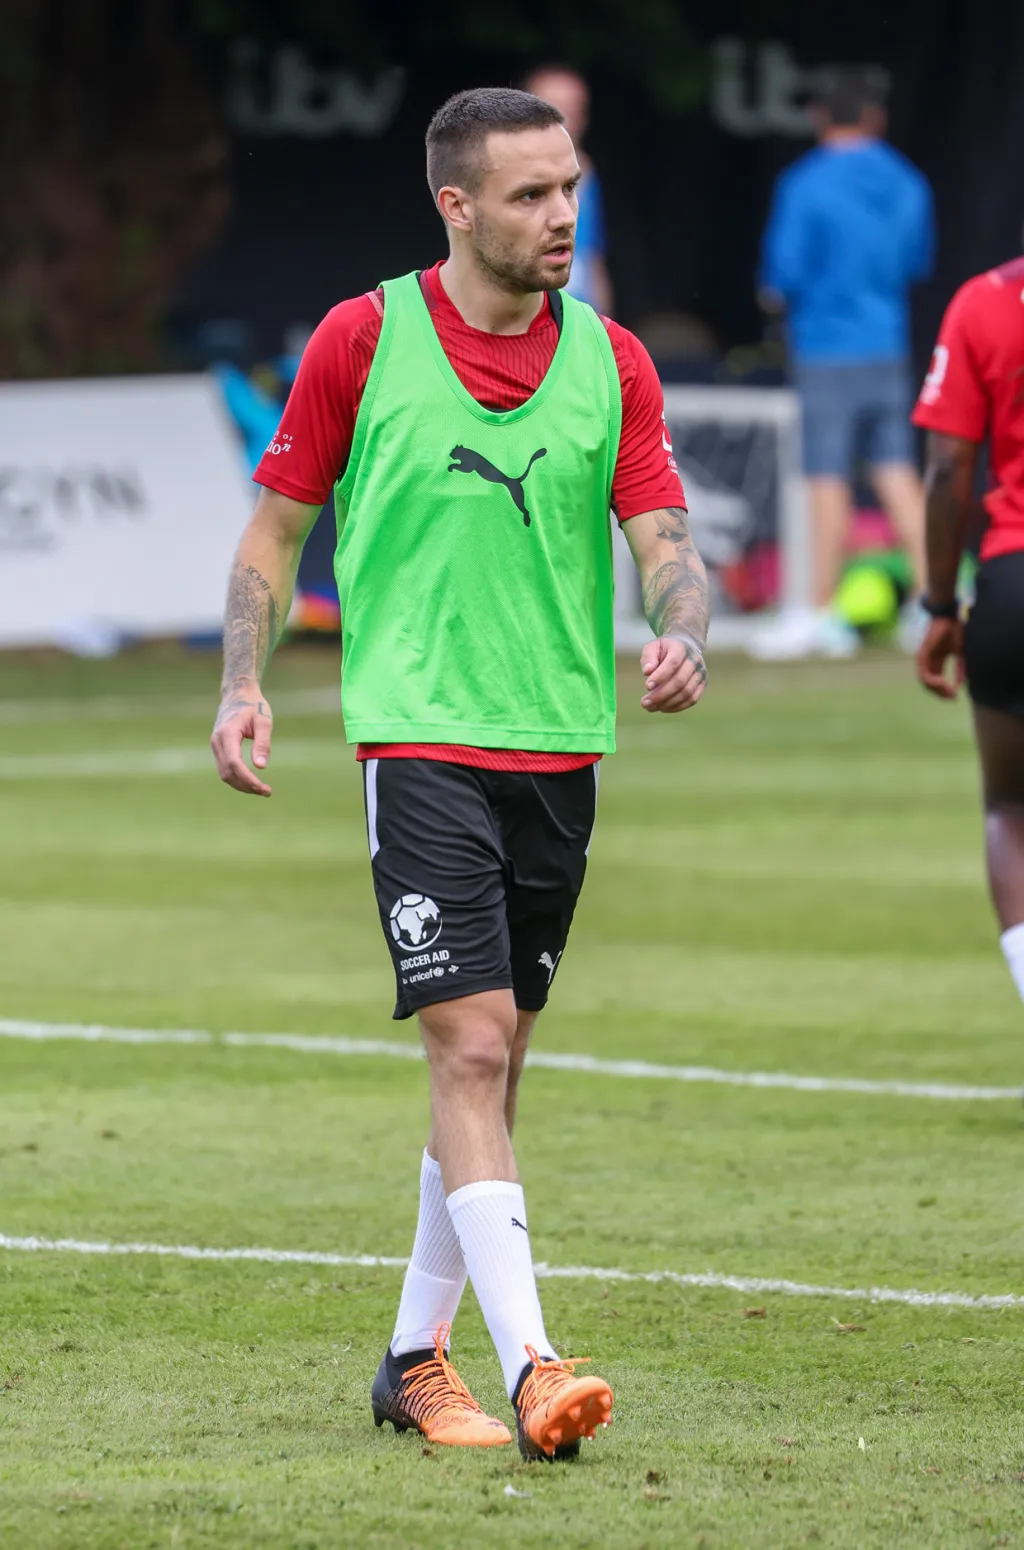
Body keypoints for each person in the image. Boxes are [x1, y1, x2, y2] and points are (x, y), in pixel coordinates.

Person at [210, 87, 708, 1459]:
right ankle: (536, 1361)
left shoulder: (612, 359)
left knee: (489, 1072)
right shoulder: (363, 340)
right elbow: (272, 536)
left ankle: (410, 1361)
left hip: (559, 747)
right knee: (472, 1044)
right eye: (534, 195)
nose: (563, 216)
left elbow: (665, 533)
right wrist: (244, 680)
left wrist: (680, 628)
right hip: (420, 735)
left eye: (571, 189)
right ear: (457, 205)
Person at [753, 67, 935, 660]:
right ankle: (932, 607)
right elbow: (916, 262)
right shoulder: (908, 179)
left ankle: (819, 613)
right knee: (897, 473)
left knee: (826, 478)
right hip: (887, 341)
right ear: (875, 118)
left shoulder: (805, 183)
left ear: (819, 117)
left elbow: (782, 277)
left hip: (827, 344)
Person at [912, 250, 1024, 1021]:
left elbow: (951, 467)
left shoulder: (986, 301)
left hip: (1014, 582)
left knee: (1010, 810)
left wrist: (942, 604)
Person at [522, 65, 613, 315]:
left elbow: (593, 258)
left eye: (576, 107)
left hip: (578, 312)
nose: (567, 118)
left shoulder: (587, 170)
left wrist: (603, 328)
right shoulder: (509, 173)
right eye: (556, 107)